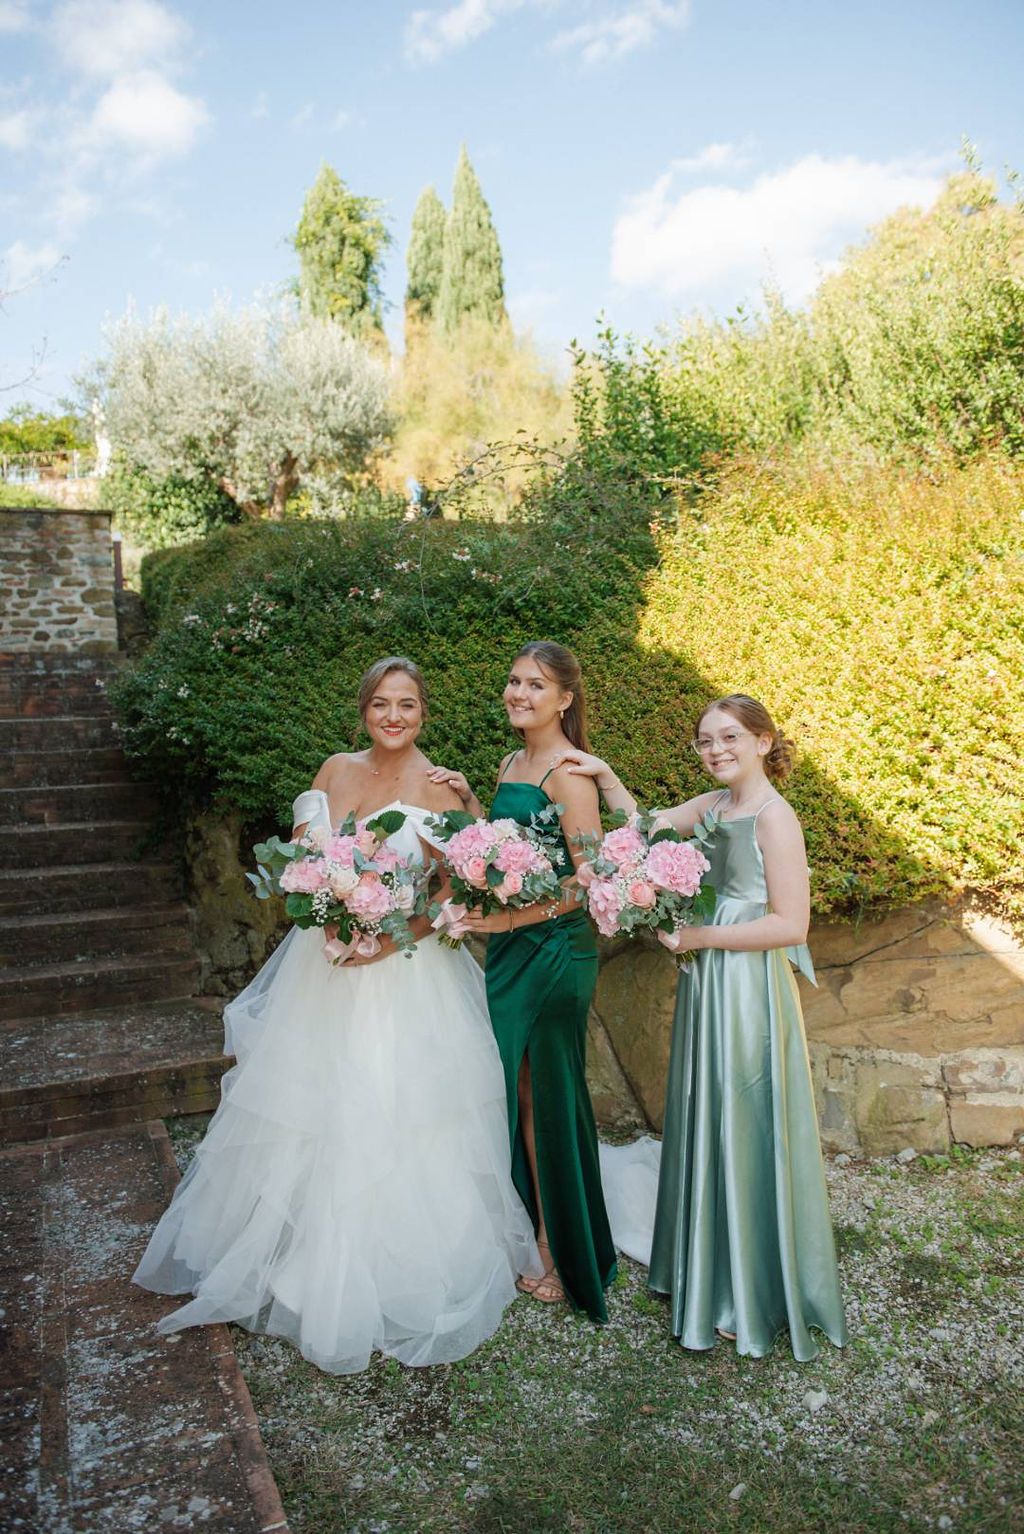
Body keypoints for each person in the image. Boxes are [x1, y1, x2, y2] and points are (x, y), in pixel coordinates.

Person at [133, 656, 539, 1374]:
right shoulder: (334, 769)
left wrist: (389, 940)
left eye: (407, 704)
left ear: (424, 712)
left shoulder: (442, 787)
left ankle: (397, 1265)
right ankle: (297, 1255)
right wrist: (323, 916)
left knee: (396, 1110)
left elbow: (466, 890)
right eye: (381, 703)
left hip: (405, 974)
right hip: (322, 970)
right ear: (363, 709)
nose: (394, 716)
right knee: (311, 1105)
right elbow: (306, 862)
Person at [555, 694, 847, 1361]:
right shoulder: (713, 808)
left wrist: (697, 936)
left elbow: (791, 925)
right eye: (706, 741)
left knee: (742, 1115)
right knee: (704, 1113)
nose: (716, 750)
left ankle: (746, 1289)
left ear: (764, 741)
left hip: (745, 988)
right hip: (707, 982)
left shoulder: (776, 818)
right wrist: (604, 776)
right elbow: (646, 827)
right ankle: (707, 1267)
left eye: (730, 738)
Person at [428, 642, 617, 1318]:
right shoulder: (513, 761)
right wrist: (470, 801)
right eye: (513, 681)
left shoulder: (570, 774)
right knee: (520, 1091)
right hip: (511, 946)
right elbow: (511, 850)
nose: (518, 694)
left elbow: (587, 878)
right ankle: (545, 1228)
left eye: (535, 686)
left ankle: (559, 1250)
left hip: (556, 951)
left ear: (565, 699)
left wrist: (504, 927)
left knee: (545, 1097)